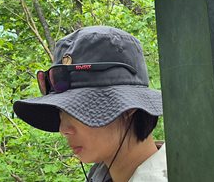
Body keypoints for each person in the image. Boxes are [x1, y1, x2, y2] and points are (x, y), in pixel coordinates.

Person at [13, 25, 166, 181]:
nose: (63, 129)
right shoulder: (101, 175)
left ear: (129, 108)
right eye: (60, 111)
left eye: (77, 110)